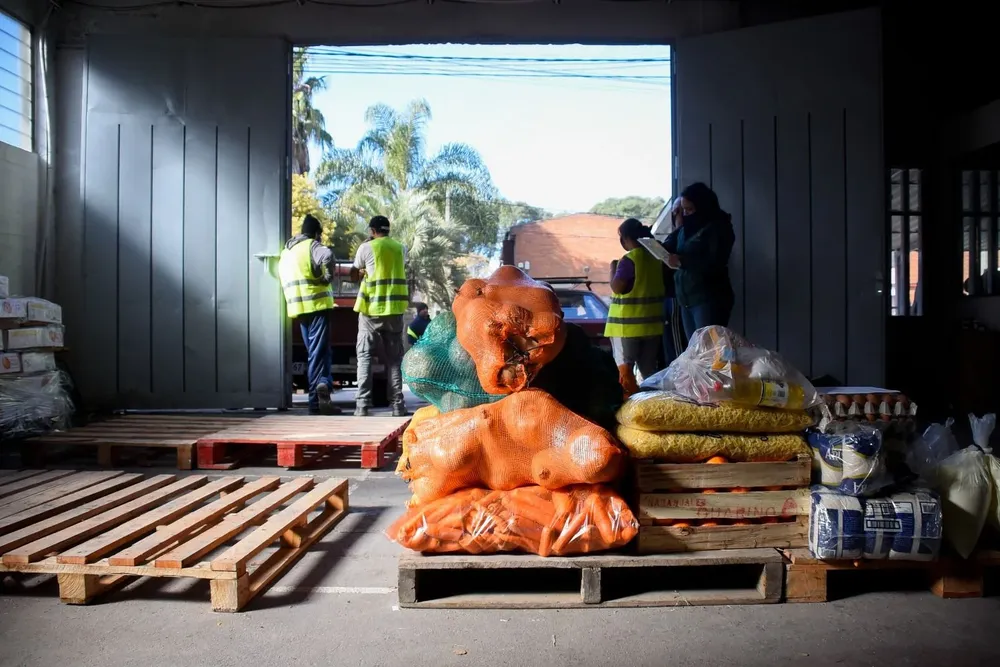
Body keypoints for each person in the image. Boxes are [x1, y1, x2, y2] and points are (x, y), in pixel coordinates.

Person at [278, 214, 341, 415]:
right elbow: (328, 256)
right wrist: (327, 277)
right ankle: (315, 401)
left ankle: (324, 386)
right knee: (316, 354)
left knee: (321, 352)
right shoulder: (311, 246)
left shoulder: (287, 251)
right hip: (317, 305)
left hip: (298, 308)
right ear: (316, 233)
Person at [351, 215, 409, 417]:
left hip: (371, 311)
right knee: (394, 360)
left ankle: (362, 405)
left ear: (372, 230)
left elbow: (353, 273)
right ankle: (397, 406)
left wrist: (362, 271)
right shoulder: (401, 248)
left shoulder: (366, 248)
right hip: (395, 310)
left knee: (365, 356)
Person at [662, 182, 736, 341]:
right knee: (695, 352)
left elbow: (715, 261)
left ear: (703, 206)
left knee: (710, 351)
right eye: (683, 210)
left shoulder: (718, 227)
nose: (686, 214)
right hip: (686, 298)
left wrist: (683, 262)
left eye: (690, 210)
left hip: (708, 297)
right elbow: (670, 244)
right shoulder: (685, 228)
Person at [605, 218, 666, 394]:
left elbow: (617, 287)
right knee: (649, 373)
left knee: (625, 374)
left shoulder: (629, 260)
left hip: (626, 328)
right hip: (652, 328)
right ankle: (652, 405)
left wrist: (613, 269)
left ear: (625, 238)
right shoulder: (656, 259)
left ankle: (629, 411)